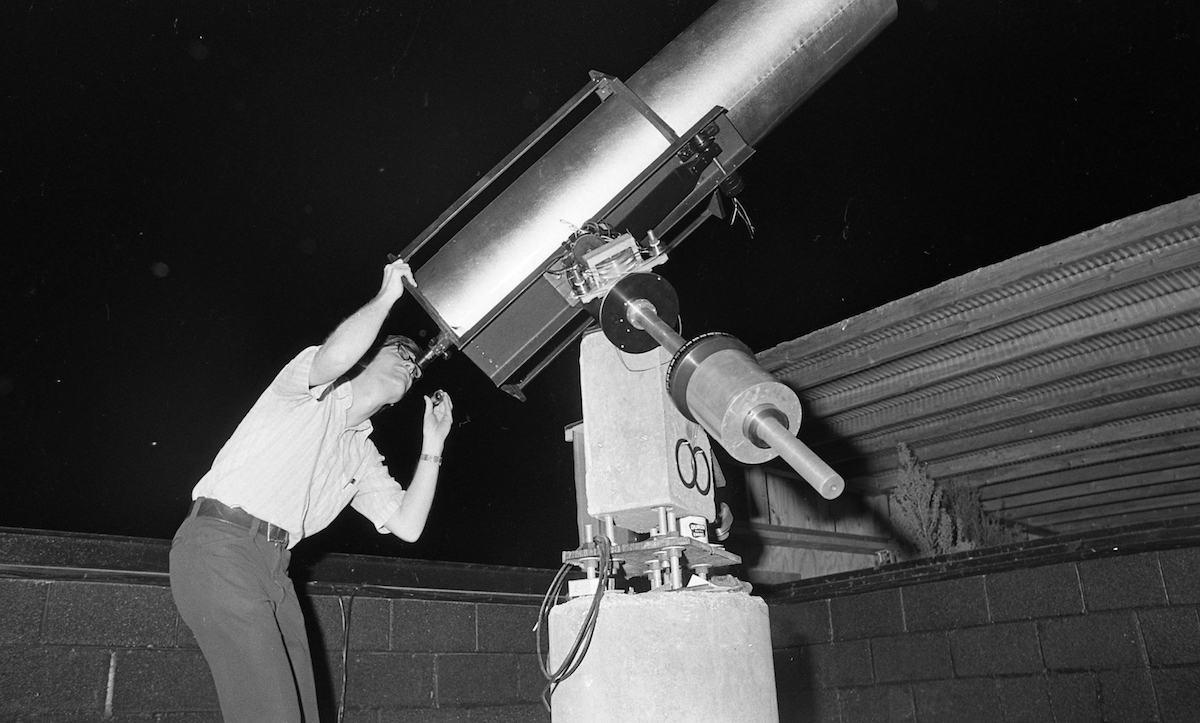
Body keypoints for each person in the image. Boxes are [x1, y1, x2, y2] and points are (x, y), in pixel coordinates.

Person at [168, 257, 453, 723]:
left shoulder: (361, 454)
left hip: (275, 568)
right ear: (363, 358)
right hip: (219, 547)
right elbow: (333, 357)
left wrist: (433, 445)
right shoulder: (304, 391)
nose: (411, 364)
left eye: (414, 366)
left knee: (301, 713)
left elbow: (408, 526)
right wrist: (387, 299)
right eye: (399, 351)